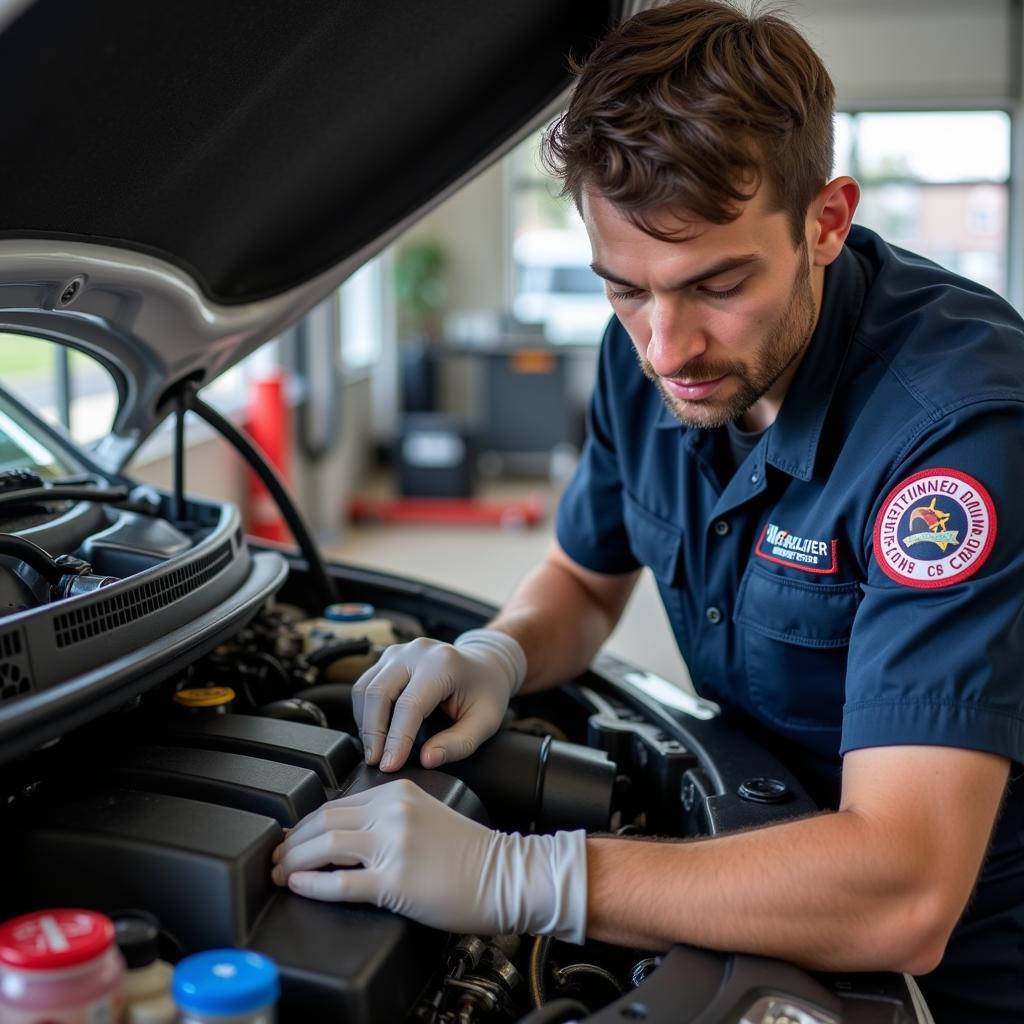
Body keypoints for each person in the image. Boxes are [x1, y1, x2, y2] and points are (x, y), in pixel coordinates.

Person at [271, 2, 1024, 1018]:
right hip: (747, 844)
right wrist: (492, 653)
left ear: (826, 222)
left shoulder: (955, 434)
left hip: (955, 960)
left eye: (717, 284)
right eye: (625, 289)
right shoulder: (647, 367)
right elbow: (584, 581)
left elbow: (903, 888)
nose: (668, 348)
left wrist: (529, 878)